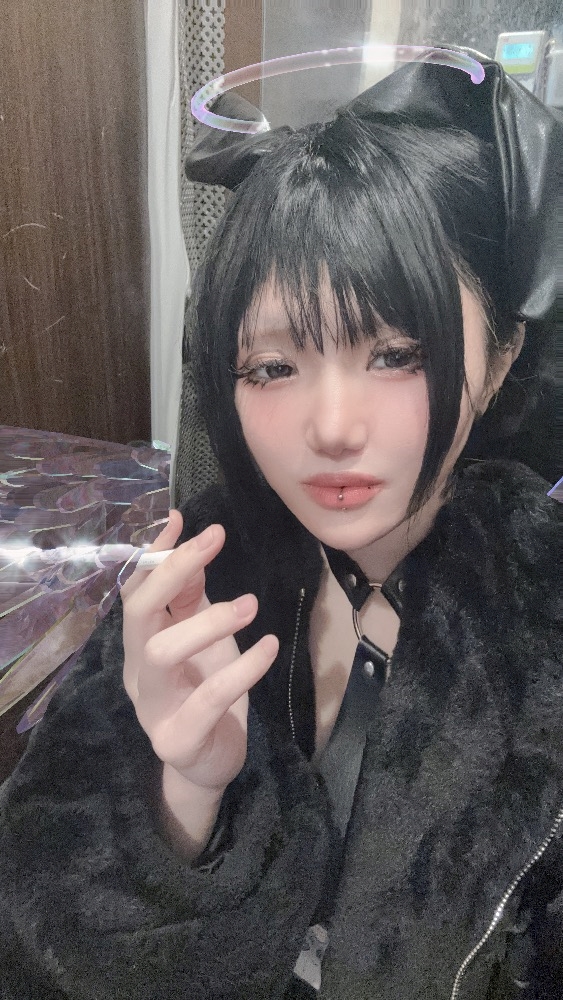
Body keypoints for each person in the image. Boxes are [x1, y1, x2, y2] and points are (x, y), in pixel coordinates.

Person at [0, 53, 561, 1000]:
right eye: (270, 367)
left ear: (501, 357)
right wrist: (187, 793)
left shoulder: (540, 621)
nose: (331, 428)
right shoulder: (195, 577)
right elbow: (45, 920)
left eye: (397, 353)